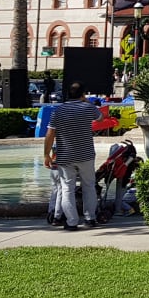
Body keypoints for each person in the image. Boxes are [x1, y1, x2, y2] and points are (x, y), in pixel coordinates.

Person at [42, 82, 101, 230]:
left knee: (67, 188)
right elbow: (100, 117)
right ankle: (90, 218)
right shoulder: (88, 108)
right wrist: (87, 102)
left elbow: (50, 134)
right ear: (83, 94)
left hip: (65, 156)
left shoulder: (58, 111)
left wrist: (46, 154)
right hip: (86, 154)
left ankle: (72, 221)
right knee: (89, 186)